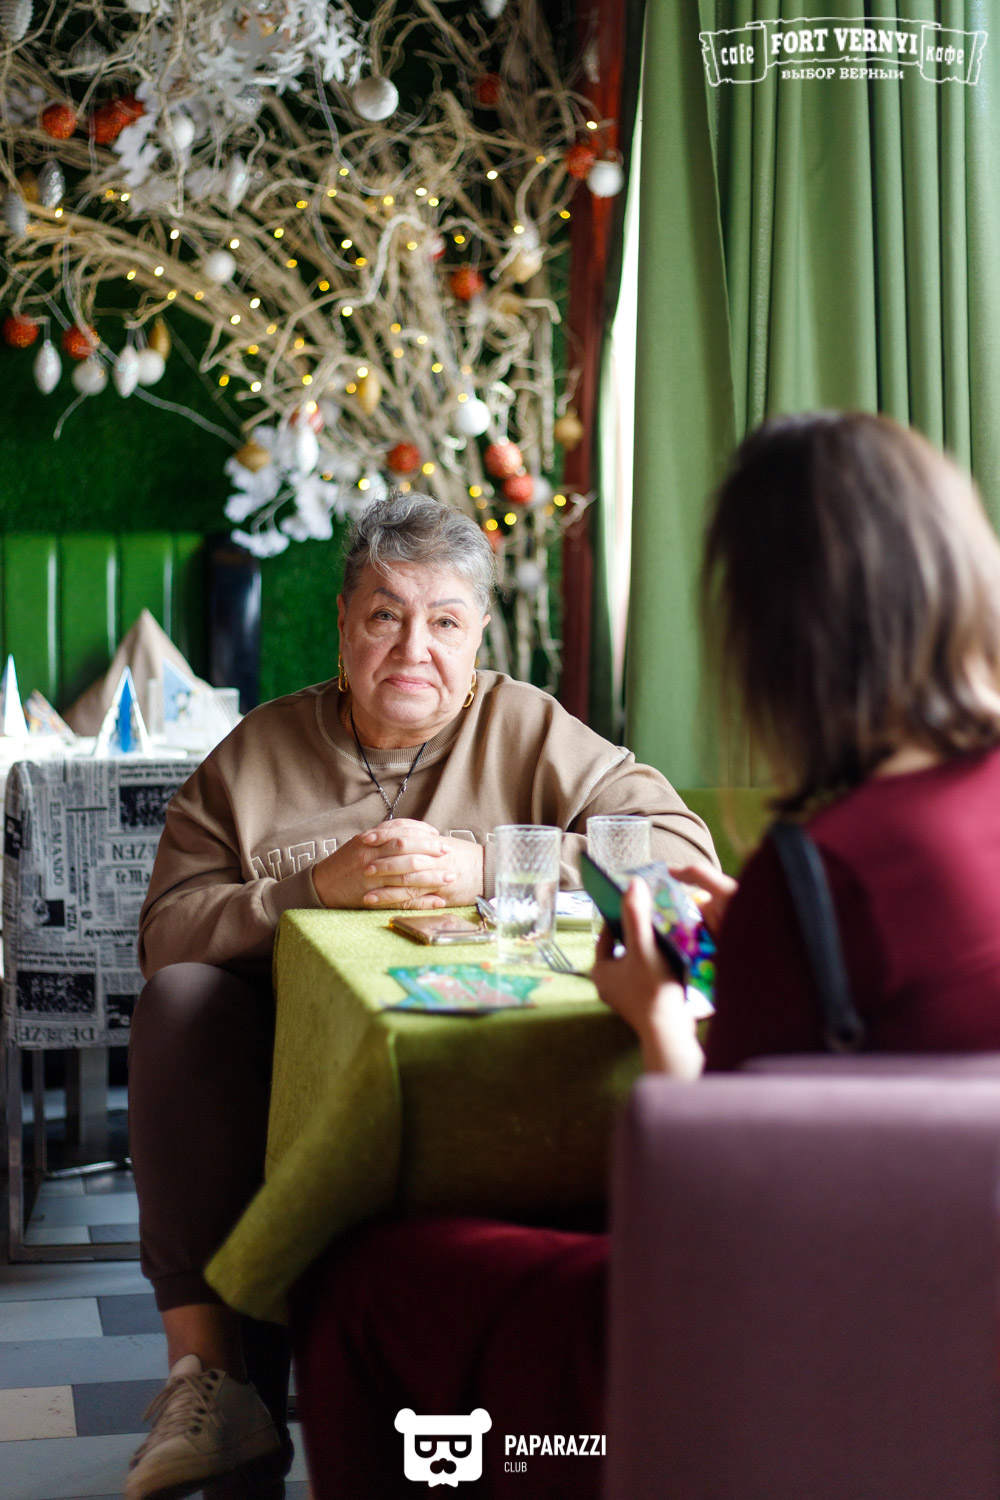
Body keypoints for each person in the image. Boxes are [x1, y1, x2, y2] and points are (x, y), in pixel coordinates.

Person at [289, 413, 1000, 1498]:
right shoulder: (827, 880)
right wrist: (755, 943)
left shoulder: (819, 874)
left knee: (362, 1287)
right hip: (961, 1317)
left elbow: (720, 1191)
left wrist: (656, 1014)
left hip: (788, 1335)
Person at [123, 492, 717, 1500]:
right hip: (282, 1067)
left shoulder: (527, 726)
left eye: (444, 620)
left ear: (478, 634)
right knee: (178, 1005)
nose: (414, 649)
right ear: (343, 625)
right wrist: (311, 889)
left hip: (493, 1062)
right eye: (386, 616)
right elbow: (165, 934)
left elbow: (679, 850)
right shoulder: (257, 754)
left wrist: (489, 864)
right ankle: (212, 1382)